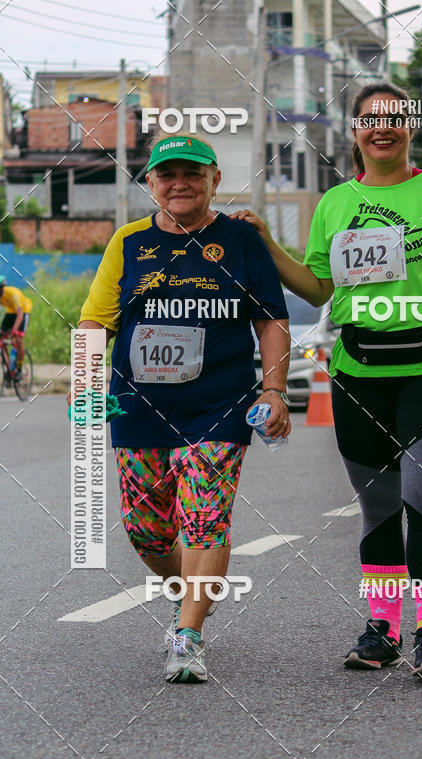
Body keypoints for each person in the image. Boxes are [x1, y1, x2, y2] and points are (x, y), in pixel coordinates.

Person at [232, 82, 422, 676]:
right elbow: (320, 289)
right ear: (354, 133)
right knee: (377, 507)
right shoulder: (335, 203)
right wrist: (268, 244)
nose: (383, 128)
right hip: (358, 371)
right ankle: (383, 627)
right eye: (370, 120)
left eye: (394, 118)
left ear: (410, 128)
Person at [75, 133, 291, 683]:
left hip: (219, 407)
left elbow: (270, 319)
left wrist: (273, 390)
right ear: (150, 183)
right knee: (146, 531)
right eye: (167, 174)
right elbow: (94, 323)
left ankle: (188, 634)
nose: (180, 184)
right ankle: (193, 591)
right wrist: (85, 385)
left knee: (204, 520)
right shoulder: (127, 243)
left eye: (193, 174)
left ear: (214, 180)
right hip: (138, 408)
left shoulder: (241, 240)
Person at [0, 275, 32, 379]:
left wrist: (13, 331)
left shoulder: (14, 294)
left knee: (18, 339)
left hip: (23, 312)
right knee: (1, 339)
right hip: (10, 312)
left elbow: (20, 315)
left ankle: (19, 369)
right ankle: (9, 367)